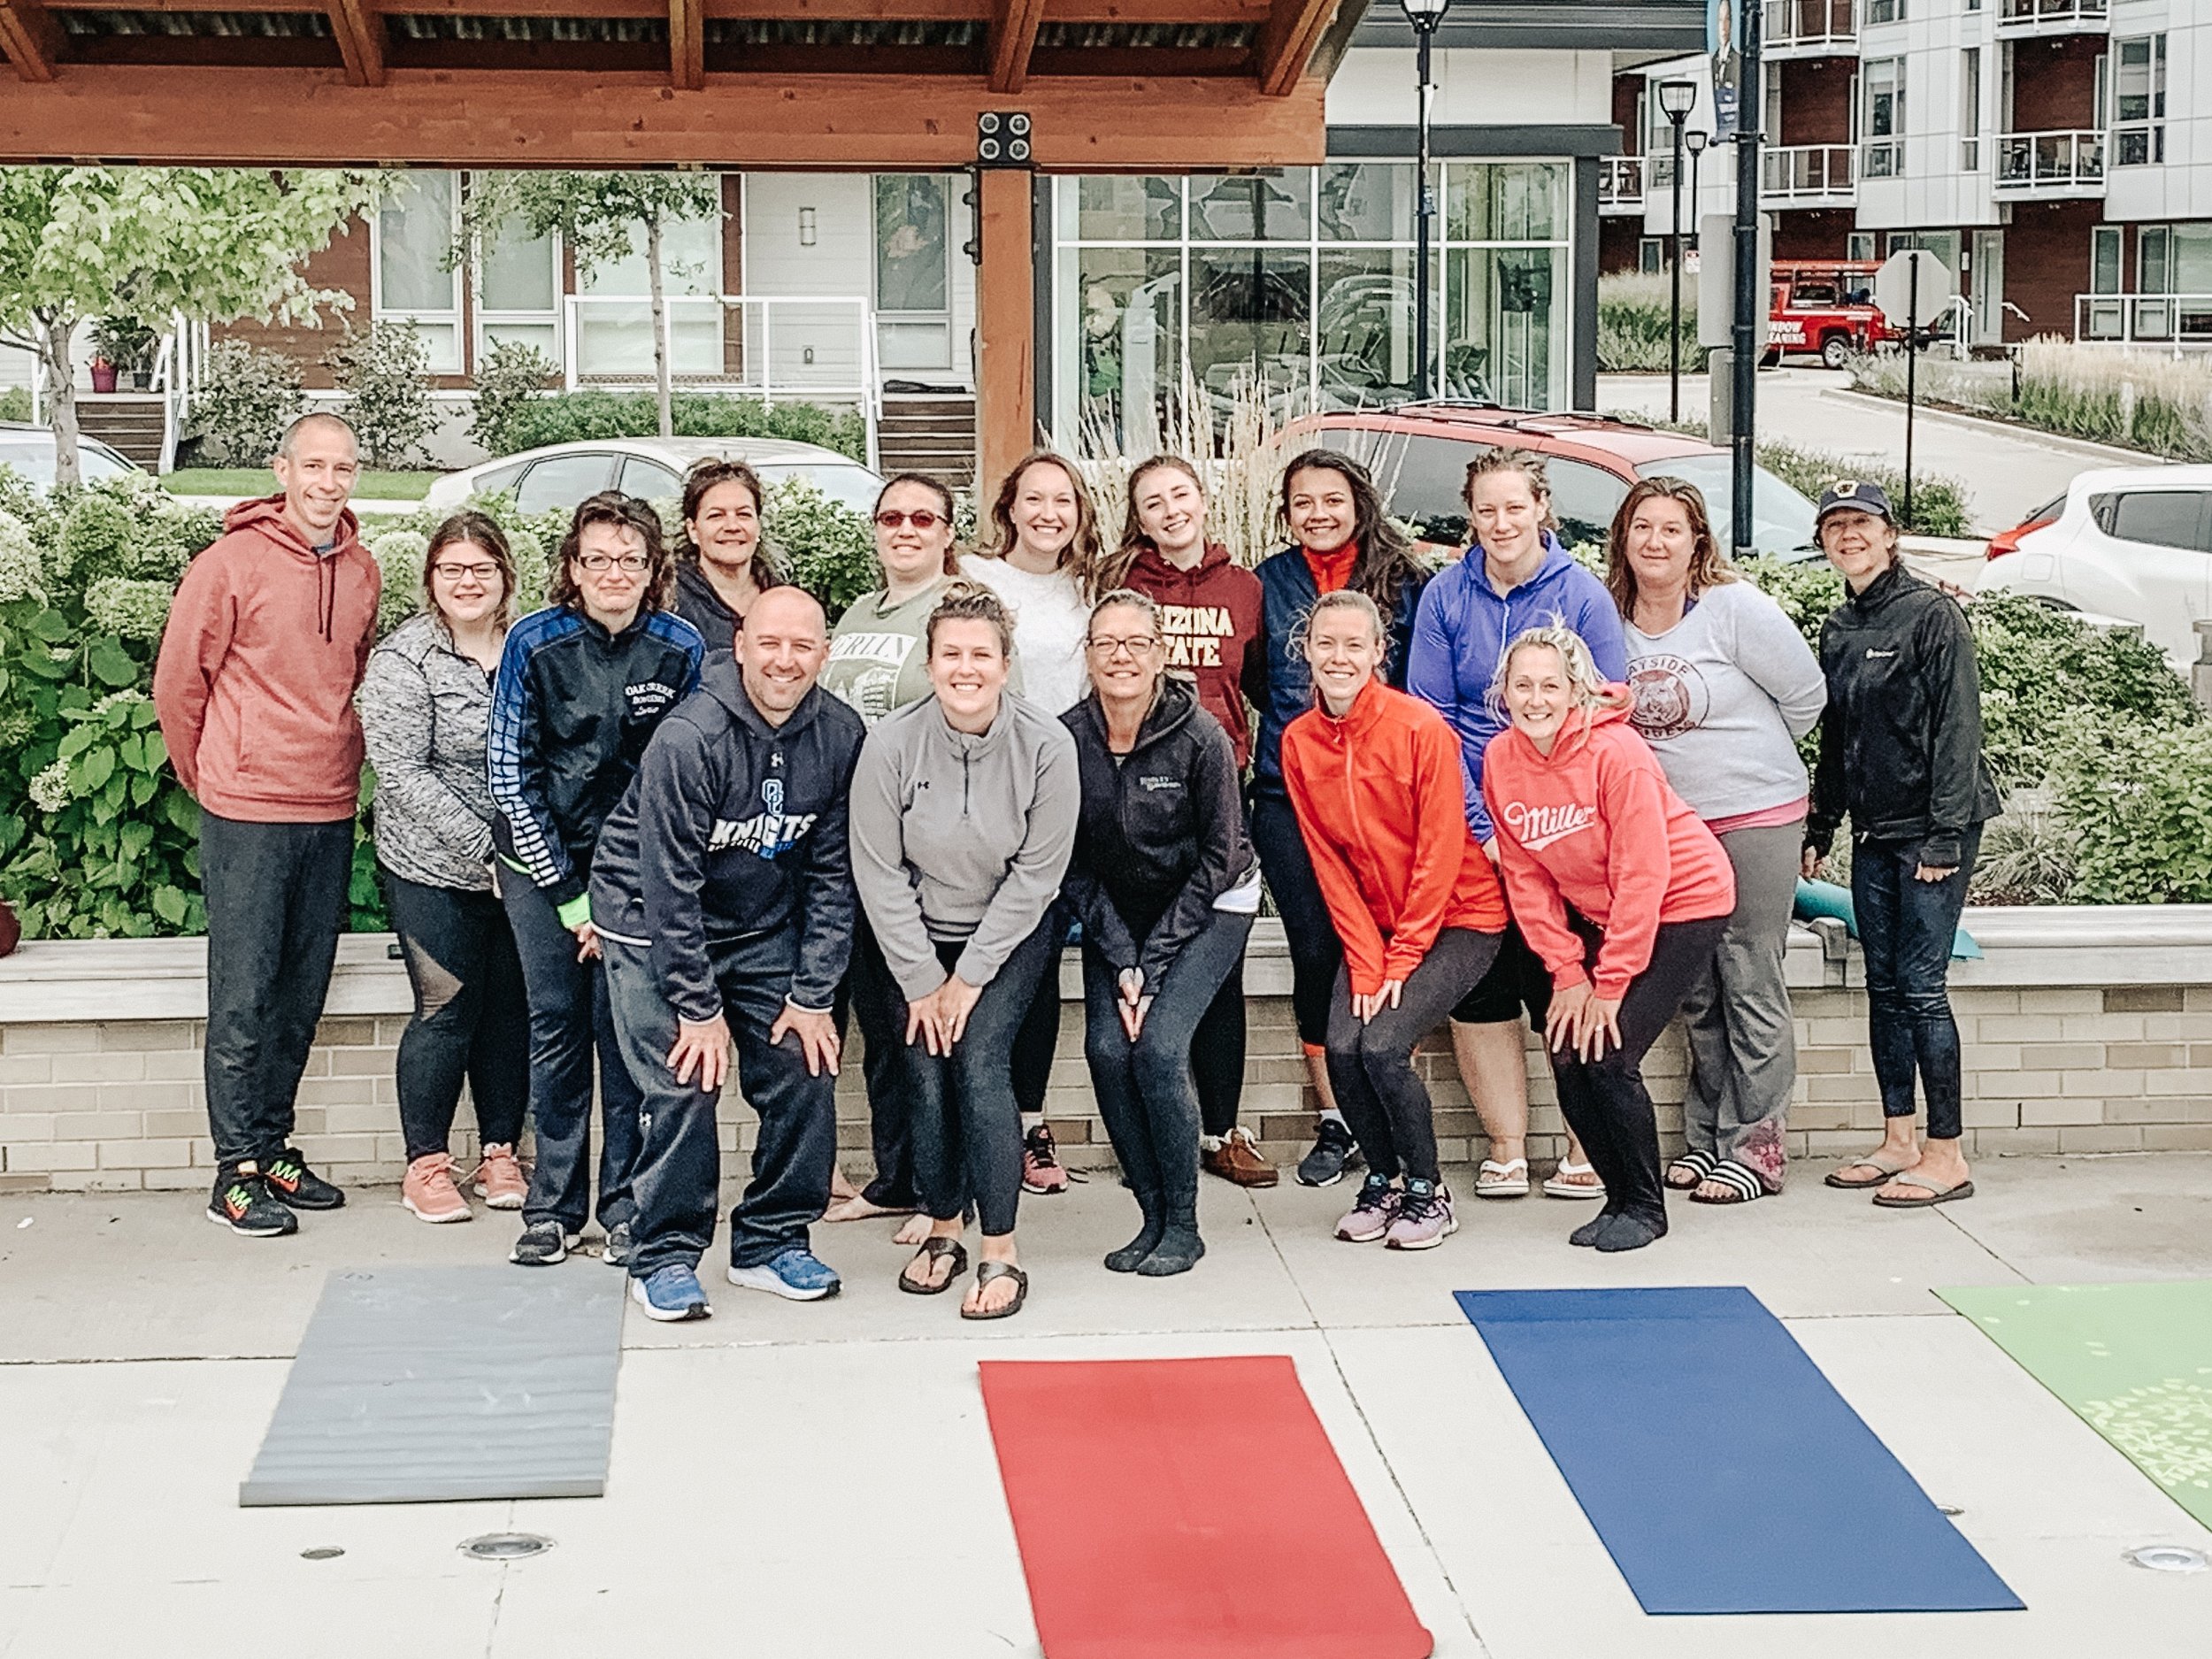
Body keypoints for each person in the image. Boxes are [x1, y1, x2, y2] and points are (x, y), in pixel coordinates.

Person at [591, 586, 865, 1321]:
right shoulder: (691, 736)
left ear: (824, 655)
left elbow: (835, 876)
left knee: (806, 1065)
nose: (784, 659)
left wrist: (811, 996)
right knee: (686, 1081)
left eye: (802, 645)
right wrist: (698, 1006)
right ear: (741, 644)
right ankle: (665, 1254)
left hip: (757, 923)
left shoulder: (842, 734)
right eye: (769, 642)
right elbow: (669, 883)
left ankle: (772, 1240)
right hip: (650, 921)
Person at [154, 411, 379, 1238]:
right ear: (282, 470)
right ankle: (233, 1170)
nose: (328, 483)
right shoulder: (228, 563)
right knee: (243, 992)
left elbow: (348, 675)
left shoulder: (362, 571)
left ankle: (274, 1144)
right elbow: (179, 685)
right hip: (247, 807)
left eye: (343, 469)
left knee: (299, 990)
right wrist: (213, 774)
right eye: (313, 466)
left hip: (328, 803)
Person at [488, 492, 705, 1268]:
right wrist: (571, 896)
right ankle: (551, 1208)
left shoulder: (681, 648)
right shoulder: (532, 643)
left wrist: (619, 894)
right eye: (598, 559)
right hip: (541, 870)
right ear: (572, 569)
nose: (615, 572)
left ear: (654, 571)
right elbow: (511, 777)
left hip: (639, 877)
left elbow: (683, 780)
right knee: (555, 1035)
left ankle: (623, 1205)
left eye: (631, 559)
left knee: (625, 1039)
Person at [850, 586, 1078, 1320]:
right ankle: (945, 1225)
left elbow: (1038, 875)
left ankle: (1001, 1249)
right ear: (931, 661)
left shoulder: (1047, 745)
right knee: (923, 1067)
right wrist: (923, 981)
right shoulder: (889, 743)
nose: (966, 668)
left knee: (979, 1062)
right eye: (951, 653)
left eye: (981, 654)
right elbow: (877, 871)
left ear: (1006, 664)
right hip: (916, 933)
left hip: (1008, 933)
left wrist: (968, 978)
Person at [1409, 448, 1625, 1204]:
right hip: (1467, 818)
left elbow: (1606, 708)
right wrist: (1480, 822)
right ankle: (1504, 1143)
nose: (1501, 523)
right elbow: (1430, 720)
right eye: (1486, 510)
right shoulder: (1443, 595)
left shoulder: (1583, 596)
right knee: (1482, 985)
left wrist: (1541, 822)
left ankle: (1581, 1143)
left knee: (1562, 976)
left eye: (1514, 507)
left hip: (1563, 820)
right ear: (1471, 516)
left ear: (1542, 509)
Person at [1483, 626, 1736, 1253]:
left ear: (1576, 691)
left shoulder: (1616, 753)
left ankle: (1645, 1207)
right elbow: (1526, 873)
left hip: (1684, 901)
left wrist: (1611, 983)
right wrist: (1568, 974)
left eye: (1550, 685)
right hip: (1603, 914)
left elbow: (1643, 872)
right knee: (1567, 1050)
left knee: (1610, 1053)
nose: (1535, 699)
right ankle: (1616, 1197)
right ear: (1504, 693)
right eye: (1522, 685)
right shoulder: (1501, 759)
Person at [1609, 478, 1825, 1204]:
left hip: (1755, 816)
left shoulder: (1732, 610)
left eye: (1673, 528)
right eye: (1643, 526)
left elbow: (1806, 696)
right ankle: (1704, 1137)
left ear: (1697, 540)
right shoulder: (1613, 617)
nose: (1656, 542)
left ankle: (1755, 1143)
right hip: (1672, 826)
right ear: (1624, 536)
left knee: (1748, 972)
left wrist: (1746, 765)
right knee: (1693, 983)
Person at [1281, 590, 1506, 1249]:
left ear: (1379, 652)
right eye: (1327, 643)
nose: (1339, 656)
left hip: (1462, 916)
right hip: (1376, 928)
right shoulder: (1299, 742)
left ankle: (1429, 1190)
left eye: (1355, 644)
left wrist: (1402, 960)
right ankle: (1382, 1179)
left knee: (1382, 1045)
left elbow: (1440, 852)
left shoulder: (1419, 729)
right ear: (1308, 650)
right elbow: (1330, 864)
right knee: (1342, 1046)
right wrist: (1369, 957)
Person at [1803, 480, 2000, 1210]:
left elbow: (1959, 732)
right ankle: (1899, 1139)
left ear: (1890, 533)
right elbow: (1836, 738)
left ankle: (1947, 1153)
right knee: (1883, 987)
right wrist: (1821, 826)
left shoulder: (1933, 616)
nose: (1847, 536)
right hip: (1876, 830)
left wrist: (1945, 836)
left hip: (1933, 829)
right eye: (1834, 526)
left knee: (1921, 988)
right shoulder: (1839, 626)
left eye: (1861, 523)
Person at [1063, 590, 1258, 1276]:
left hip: (1211, 905)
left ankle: (1184, 1223)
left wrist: (1153, 959)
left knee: (1160, 1048)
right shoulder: (1066, 739)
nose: (1121, 655)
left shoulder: (1199, 734)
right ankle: (1149, 1215)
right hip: (1119, 914)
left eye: (1136, 643)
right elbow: (1073, 865)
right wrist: (1122, 956)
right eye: (1106, 643)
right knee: (1108, 1050)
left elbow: (1223, 855)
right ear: (1087, 656)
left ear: (1160, 654)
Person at [1252, 449, 1432, 1190]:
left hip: (1387, 790)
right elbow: (1259, 678)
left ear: (1359, 501)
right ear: (1287, 512)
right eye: (1303, 502)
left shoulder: (1405, 578)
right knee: (1317, 951)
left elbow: (1419, 679)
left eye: (1333, 498)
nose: (1318, 513)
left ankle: (1389, 1098)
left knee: (1392, 947)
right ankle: (1339, 1120)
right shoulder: (1269, 582)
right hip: (1290, 791)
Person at [1106, 455, 1274, 1188]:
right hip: (1138, 790)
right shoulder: (1123, 585)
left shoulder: (1245, 589)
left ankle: (1221, 1130)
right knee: (1145, 951)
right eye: (1154, 501)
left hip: (1219, 787)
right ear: (1138, 517)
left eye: (1180, 494)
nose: (1170, 509)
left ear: (1202, 502)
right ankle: (1149, 1123)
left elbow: (1261, 685)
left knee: (1219, 970)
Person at [357, 511, 530, 1225]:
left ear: (504, 578)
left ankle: (500, 1150)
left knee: (511, 1012)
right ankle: (425, 1162)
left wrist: (526, 851)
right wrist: (483, 850)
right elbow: (399, 771)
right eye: (452, 568)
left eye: (482, 568)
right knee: (447, 1006)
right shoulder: (404, 660)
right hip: (430, 866)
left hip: (523, 864)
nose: (468, 581)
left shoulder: (529, 646)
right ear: (432, 579)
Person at [818, 472, 967, 1233]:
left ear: (947, 531)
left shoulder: (956, 612)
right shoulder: (858, 610)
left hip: (922, 851)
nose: (904, 528)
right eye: (890, 516)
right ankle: (897, 1176)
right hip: (852, 844)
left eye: (922, 517)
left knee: (925, 1028)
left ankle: (949, 1188)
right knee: (882, 1027)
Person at [964, 449, 1106, 1199]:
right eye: (1035, 499)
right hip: (982, 788)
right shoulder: (972, 577)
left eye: (1064, 502)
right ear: (1010, 507)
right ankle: (976, 1121)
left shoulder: (1093, 590)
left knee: (1040, 960)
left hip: (1060, 793)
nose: (1050, 513)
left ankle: (1030, 1120)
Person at [671, 457, 784, 643]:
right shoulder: (670, 601)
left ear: (758, 526)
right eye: (716, 516)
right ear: (693, 530)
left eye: (744, 515)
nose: (732, 526)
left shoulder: (783, 600)